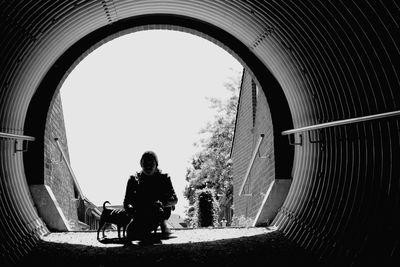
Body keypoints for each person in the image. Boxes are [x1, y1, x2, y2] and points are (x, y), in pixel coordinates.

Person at [124, 151, 178, 241]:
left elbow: (174, 199)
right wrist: (132, 212)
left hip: (158, 212)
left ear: (156, 164)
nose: (148, 166)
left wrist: (163, 203)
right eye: (145, 163)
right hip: (140, 213)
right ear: (141, 164)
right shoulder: (133, 179)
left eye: (151, 163)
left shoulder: (164, 178)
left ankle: (163, 223)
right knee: (131, 233)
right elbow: (126, 202)